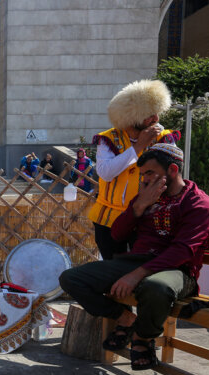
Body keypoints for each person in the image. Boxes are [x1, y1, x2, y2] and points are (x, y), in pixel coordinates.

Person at [59, 144, 209, 370]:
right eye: (143, 175)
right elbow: (117, 234)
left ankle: (143, 337)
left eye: (150, 173)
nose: (145, 179)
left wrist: (136, 275)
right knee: (70, 278)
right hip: (134, 262)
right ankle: (125, 318)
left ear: (172, 170)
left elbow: (182, 251)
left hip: (177, 270)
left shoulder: (200, 204)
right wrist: (140, 205)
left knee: (156, 288)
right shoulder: (146, 195)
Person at [88, 79, 180, 259]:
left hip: (150, 219)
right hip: (109, 219)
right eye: (149, 115)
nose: (156, 119)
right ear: (132, 118)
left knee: (142, 270)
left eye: (156, 113)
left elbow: (174, 172)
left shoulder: (164, 138)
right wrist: (137, 149)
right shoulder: (108, 139)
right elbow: (105, 173)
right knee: (112, 271)